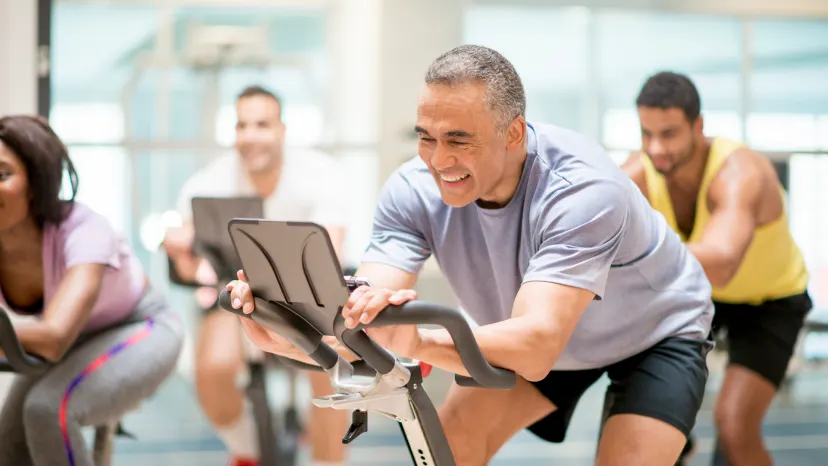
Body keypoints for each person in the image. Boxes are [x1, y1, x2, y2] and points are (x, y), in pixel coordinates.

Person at [226, 45, 716, 465]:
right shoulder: (412, 190)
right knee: (450, 449)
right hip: (529, 332)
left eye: (459, 140)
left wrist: (415, 342)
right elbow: (368, 310)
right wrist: (299, 333)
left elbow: (538, 344)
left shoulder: (582, 190)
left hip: (654, 333)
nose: (439, 161)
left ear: (514, 134)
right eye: (426, 137)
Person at [621, 71, 812, 466]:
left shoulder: (740, 173)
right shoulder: (638, 173)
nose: (656, 148)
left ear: (698, 126)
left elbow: (722, 264)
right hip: (694, 296)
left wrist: (632, 253)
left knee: (734, 425)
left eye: (669, 133)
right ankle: (679, 444)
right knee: (644, 420)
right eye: (646, 133)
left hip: (770, 301)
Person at [163, 85, 350, 466]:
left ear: (282, 129)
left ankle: (327, 461)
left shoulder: (322, 175)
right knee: (213, 370)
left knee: (330, 371)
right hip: (236, 296)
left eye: (261, 124)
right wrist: (180, 250)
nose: (250, 136)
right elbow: (190, 270)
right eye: (241, 126)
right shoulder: (206, 183)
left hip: (307, 298)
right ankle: (248, 452)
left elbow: (331, 252)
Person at [0, 115, 184, 466]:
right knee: (7, 442)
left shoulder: (84, 229)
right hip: (77, 340)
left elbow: (54, 337)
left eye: (1, 175)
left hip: (143, 326)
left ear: (36, 183)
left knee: (48, 409)